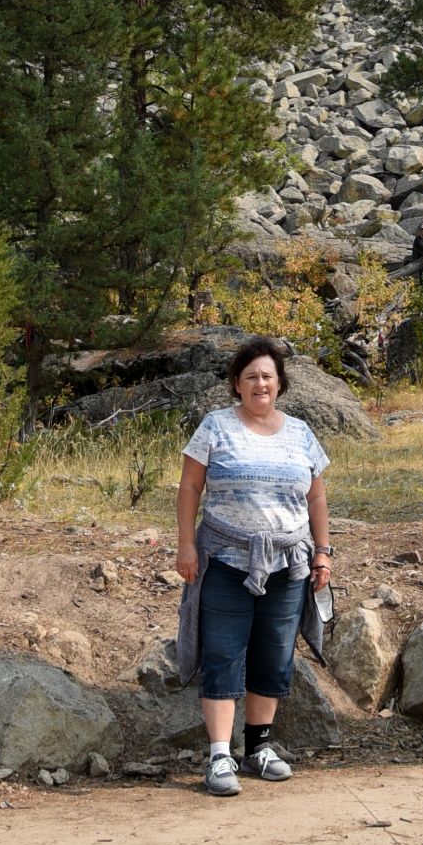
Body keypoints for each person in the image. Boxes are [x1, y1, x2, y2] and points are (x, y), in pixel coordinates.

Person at [174, 336, 333, 798]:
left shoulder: (301, 433)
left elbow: (316, 497)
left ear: (280, 383)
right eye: (250, 377)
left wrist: (323, 552)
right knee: (223, 653)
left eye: (267, 376)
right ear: (237, 384)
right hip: (225, 559)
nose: (260, 384)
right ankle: (219, 756)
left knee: (274, 653)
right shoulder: (215, 427)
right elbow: (189, 489)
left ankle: (258, 749)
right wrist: (186, 546)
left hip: (288, 564)